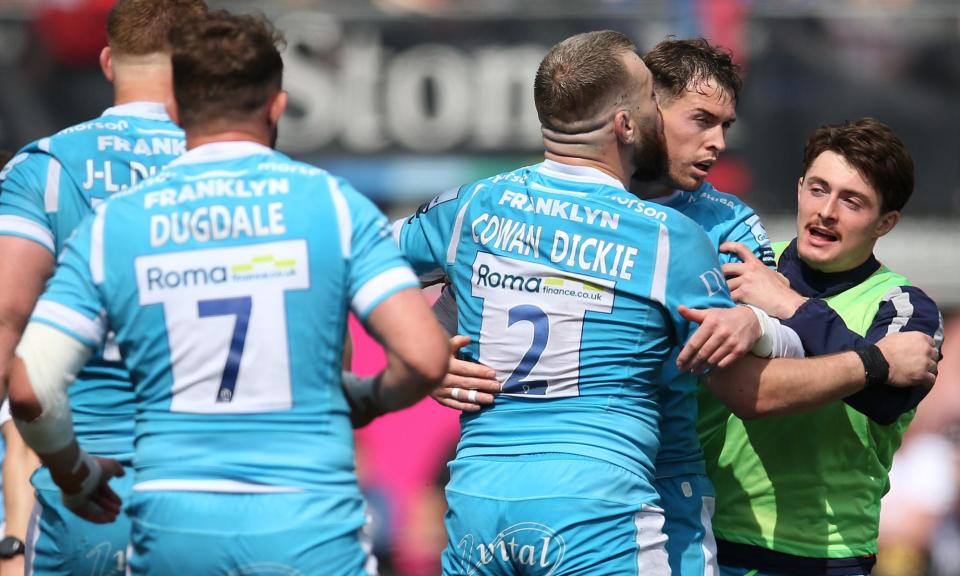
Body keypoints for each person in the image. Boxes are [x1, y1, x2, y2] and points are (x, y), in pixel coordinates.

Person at [429, 38, 941, 576]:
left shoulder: (736, 237)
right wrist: (429, 355)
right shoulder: (529, 201)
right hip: (578, 492)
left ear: (887, 223)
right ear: (643, 114)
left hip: (778, 540)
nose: (717, 143)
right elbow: (410, 280)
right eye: (701, 120)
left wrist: (771, 316)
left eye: (852, 201)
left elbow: (779, 390)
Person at [7, 10, 449, 575]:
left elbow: (28, 386)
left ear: (176, 109)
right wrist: (362, 398)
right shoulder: (331, 203)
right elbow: (424, 356)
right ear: (278, 106)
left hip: (170, 517)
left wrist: (75, 473)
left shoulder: (115, 219)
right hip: (306, 519)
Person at [393, 29, 743, 575]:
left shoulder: (471, 206)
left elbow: (355, 262)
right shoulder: (670, 237)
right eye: (652, 97)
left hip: (480, 503)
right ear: (626, 124)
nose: (660, 110)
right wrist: (774, 329)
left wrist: (421, 361)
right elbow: (748, 383)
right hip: (599, 504)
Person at [0, 1, 208, 573]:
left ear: (109, 62)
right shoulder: (244, 174)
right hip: (215, 488)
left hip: (89, 490)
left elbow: (5, 320)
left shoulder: (42, 169)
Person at [699, 117, 945, 576]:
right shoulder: (743, 268)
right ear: (798, 189)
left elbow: (886, 396)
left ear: (885, 223)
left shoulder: (907, 305)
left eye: (852, 201)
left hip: (829, 557)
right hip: (713, 542)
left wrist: (791, 306)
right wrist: (873, 361)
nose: (826, 211)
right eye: (818, 189)